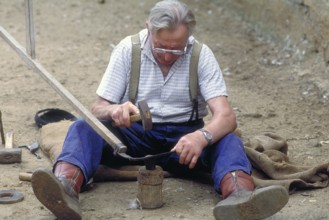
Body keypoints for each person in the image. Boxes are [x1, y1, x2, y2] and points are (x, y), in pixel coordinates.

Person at [31, 1, 289, 219]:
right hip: (132, 137)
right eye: (162, 47)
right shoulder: (128, 50)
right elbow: (97, 108)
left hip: (184, 144)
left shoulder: (200, 55)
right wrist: (114, 111)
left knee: (229, 141)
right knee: (83, 127)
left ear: (188, 37)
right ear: (148, 29)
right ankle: (64, 189)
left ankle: (240, 198)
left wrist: (202, 137)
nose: (168, 56)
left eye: (177, 49)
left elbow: (226, 116)